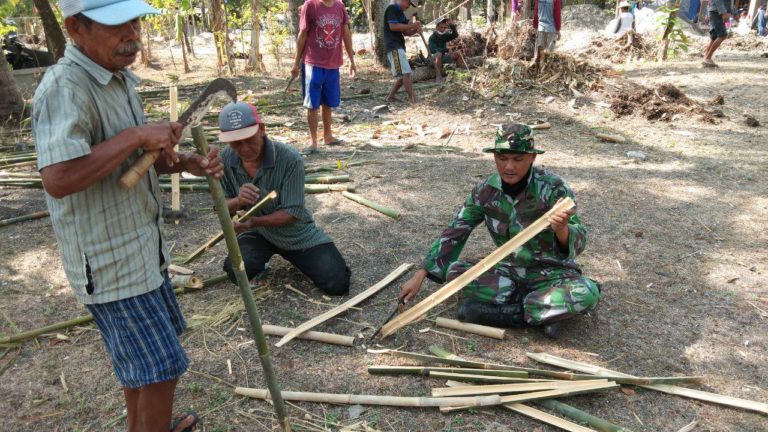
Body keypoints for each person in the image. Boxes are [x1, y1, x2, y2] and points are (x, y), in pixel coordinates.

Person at [32, 1, 224, 430]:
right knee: (161, 368)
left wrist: (185, 161)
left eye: (135, 21)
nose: (133, 33)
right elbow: (59, 177)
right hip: (109, 263)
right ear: (75, 28)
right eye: (118, 24)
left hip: (142, 252)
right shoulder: (66, 87)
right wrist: (138, 134)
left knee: (144, 368)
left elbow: (130, 163)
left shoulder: (116, 80)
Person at [398, 124, 601, 339]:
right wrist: (421, 274)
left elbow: (579, 241)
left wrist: (562, 229)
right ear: (494, 157)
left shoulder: (553, 188)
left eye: (518, 159)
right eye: (502, 159)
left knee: (586, 293)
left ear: (532, 158)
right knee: (456, 272)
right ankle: (544, 312)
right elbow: (456, 230)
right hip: (509, 270)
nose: (509, 167)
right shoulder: (486, 191)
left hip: (551, 273)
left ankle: (507, 313)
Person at [217, 102, 351, 295]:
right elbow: (221, 207)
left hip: (295, 233)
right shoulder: (225, 159)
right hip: (258, 234)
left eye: (248, 139)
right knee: (236, 271)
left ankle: (299, 257)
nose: (244, 148)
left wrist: (252, 221)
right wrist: (238, 201)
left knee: (337, 284)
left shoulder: (289, 158)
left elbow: (292, 213)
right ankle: (260, 262)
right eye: (235, 142)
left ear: (262, 129)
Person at [291, 0, 356, 155]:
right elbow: (303, 34)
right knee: (312, 104)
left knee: (328, 102)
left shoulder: (339, 6)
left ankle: (328, 135)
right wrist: (295, 63)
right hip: (313, 63)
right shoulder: (310, 5)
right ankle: (313, 141)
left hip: (333, 64)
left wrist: (352, 61)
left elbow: (346, 33)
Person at [384, 0, 423, 103]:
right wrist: (412, 26)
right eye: (408, 3)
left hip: (398, 46)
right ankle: (413, 99)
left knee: (403, 75)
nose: (409, 6)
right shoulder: (392, 8)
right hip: (393, 46)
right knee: (405, 73)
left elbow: (406, 32)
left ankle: (391, 96)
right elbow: (393, 27)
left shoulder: (401, 13)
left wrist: (416, 29)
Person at [428, 18, 465, 83]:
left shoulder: (444, 35)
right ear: (437, 27)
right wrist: (446, 49)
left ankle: (462, 73)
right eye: (441, 27)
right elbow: (434, 50)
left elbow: (455, 35)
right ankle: (438, 77)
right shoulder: (432, 38)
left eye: (445, 27)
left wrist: (451, 25)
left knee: (458, 53)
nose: (443, 29)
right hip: (432, 59)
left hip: (443, 58)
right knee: (438, 54)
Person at [703, 0, 732, 67]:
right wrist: (724, 12)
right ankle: (707, 58)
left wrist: (729, 12)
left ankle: (706, 58)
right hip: (716, 12)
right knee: (723, 35)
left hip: (716, 11)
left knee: (714, 37)